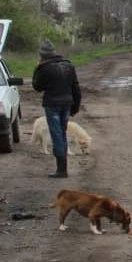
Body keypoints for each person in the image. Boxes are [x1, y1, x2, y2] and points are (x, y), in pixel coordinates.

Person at [32, 40, 81, 178]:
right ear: (54, 52)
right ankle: (62, 168)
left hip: (52, 105)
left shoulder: (44, 68)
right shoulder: (68, 65)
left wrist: (37, 69)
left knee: (57, 135)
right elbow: (76, 89)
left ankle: (62, 170)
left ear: (42, 55)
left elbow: (37, 87)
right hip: (66, 104)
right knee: (62, 133)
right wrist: (75, 108)